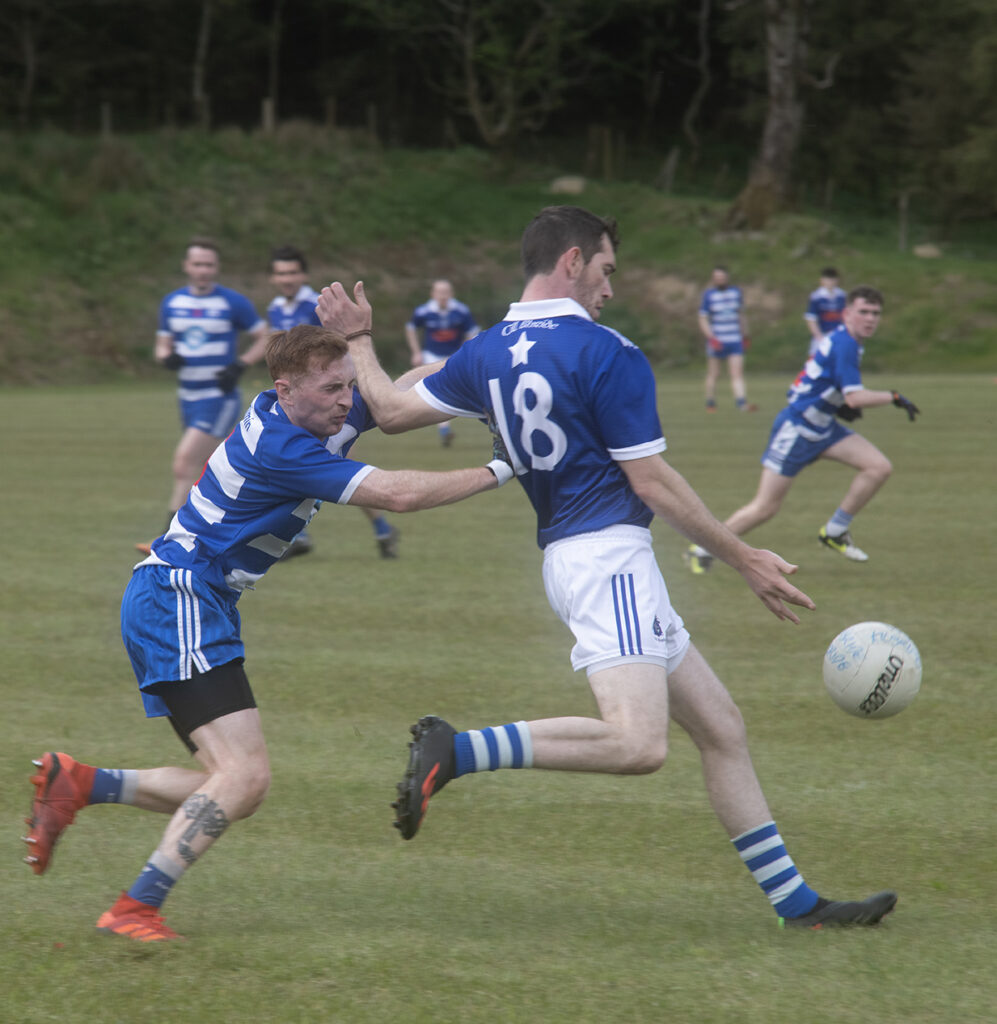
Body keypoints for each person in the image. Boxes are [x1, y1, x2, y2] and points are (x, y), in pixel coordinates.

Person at [316, 205, 898, 930]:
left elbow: (392, 409)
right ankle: (457, 750)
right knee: (637, 744)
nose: (610, 288)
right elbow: (652, 482)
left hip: (578, 560)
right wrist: (743, 555)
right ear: (571, 261)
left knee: (721, 727)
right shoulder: (607, 352)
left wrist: (359, 339)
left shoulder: (486, 350)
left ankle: (799, 906)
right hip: (609, 559)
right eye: (605, 269)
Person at [22, 324, 514, 942]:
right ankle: (134, 909)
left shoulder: (314, 414)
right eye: (332, 389)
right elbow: (396, 494)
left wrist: (478, 369)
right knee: (244, 778)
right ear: (286, 390)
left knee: (237, 784)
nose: (346, 400)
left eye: (347, 386)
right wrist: (503, 467)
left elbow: (396, 391)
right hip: (179, 598)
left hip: (185, 599)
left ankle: (80, 783)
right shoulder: (283, 445)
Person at [686, 286, 919, 574]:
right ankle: (701, 548)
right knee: (764, 508)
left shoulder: (846, 339)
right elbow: (855, 398)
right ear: (847, 313)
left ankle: (835, 531)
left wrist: (835, 403)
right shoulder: (846, 344)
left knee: (878, 467)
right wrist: (893, 397)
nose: (870, 318)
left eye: (875, 313)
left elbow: (817, 382)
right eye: (864, 312)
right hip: (797, 431)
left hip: (823, 428)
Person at [267, 244, 399, 559]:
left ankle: (377, 527)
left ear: (303, 274)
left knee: (333, 468)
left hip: (326, 403)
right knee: (320, 466)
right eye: (281, 273)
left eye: (292, 272)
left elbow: (338, 351)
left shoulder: (316, 307)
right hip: (299, 403)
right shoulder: (275, 307)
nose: (287, 279)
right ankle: (378, 528)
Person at [138, 238, 268, 554]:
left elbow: (266, 337)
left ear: (217, 268)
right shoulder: (172, 303)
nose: (203, 270)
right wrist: (166, 358)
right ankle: (225, 535)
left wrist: (240, 364)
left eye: (209, 264)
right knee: (212, 469)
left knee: (184, 463)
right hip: (187, 397)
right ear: (187, 266)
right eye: (197, 264)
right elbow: (162, 345)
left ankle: (167, 540)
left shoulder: (232, 302)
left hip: (218, 397)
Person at [405, 279, 478, 446]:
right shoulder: (424, 311)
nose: (442, 296)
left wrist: (466, 351)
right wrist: (416, 352)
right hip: (431, 357)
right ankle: (444, 429)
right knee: (439, 390)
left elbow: (472, 332)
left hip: (454, 357)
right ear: (433, 294)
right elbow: (411, 328)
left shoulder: (461, 311)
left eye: (446, 292)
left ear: (451, 293)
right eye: (439, 292)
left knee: (463, 389)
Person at [698, 265, 757, 413]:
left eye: (722, 277)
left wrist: (746, 334)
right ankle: (710, 402)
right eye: (717, 277)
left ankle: (741, 403)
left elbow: (741, 315)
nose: (720, 280)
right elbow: (702, 318)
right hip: (717, 339)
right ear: (713, 279)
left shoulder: (736, 292)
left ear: (727, 277)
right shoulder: (709, 295)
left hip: (735, 338)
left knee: (737, 373)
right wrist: (711, 338)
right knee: (714, 373)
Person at [804, 267, 847, 357]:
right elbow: (811, 319)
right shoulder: (816, 297)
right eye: (827, 279)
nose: (830, 282)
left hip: (838, 335)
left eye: (832, 279)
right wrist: (819, 337)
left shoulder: (842, 296)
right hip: (822, 335)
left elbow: (847, 317)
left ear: (837, 280)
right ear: (822, 280)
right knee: (816, 359)